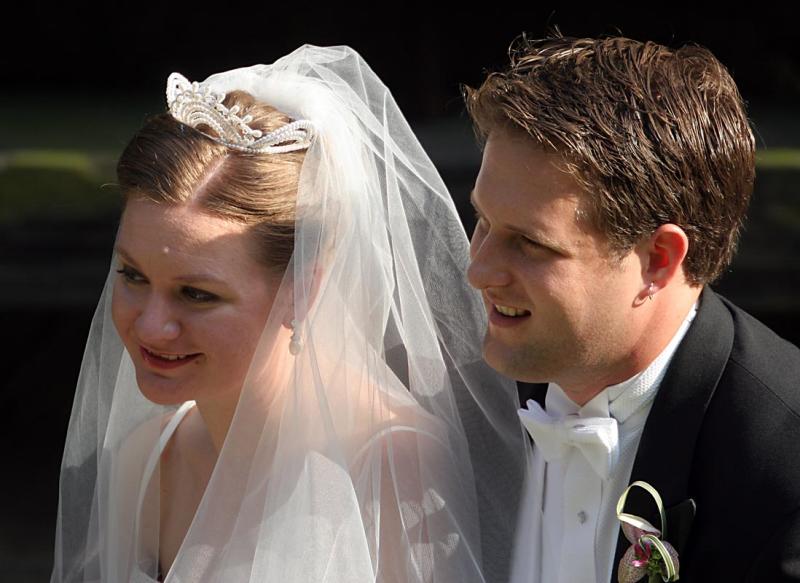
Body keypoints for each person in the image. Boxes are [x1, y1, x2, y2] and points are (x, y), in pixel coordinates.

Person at [50, 45, 527, 582]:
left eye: (197, 294)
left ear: (305, 289)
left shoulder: (394, 466)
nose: (152, 325)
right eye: (133, 277)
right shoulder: (147, 461)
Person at [463, 35, 800, 582]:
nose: (478, 270)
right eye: (482, 221)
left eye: (530, 244)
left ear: (658, 261)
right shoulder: (450, 410)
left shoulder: (782, 476)